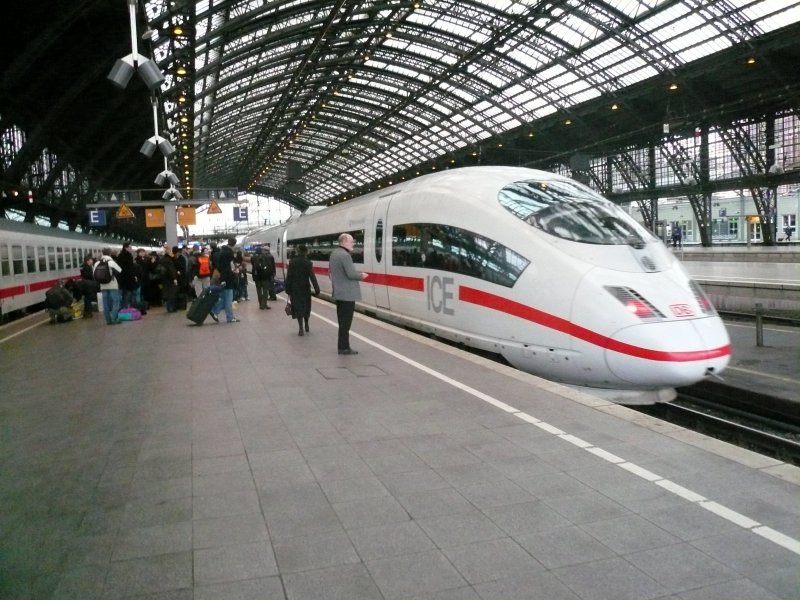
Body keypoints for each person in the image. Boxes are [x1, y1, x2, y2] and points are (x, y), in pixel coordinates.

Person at [328, 233, 367, 354]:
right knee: (346, 323)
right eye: (351, 241)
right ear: (344, 241)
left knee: (342, 322)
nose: (353, 243)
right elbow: (351, 274)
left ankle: (343, 346)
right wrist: (362, 275)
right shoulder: (345, 256)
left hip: (339, 292)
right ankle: (344, 347)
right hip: (347, 294)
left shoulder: (334, 254)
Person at [285, 244, 320, 335]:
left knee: (298, 307)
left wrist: (287, 289)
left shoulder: (292, 262)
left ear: (298, 251)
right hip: (305, 288)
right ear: (305, 252)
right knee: (306, 307)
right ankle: (307, 324)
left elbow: (289, 277)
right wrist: (317, 288)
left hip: (295, 289)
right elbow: (312, 277)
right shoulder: (308, 262)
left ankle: (300, 328)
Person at [210, 237, 239, 323]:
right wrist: (233, 272)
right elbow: (228, 268)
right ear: (233, 244)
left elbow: (220, 266)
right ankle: (229, 317)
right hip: (227, 279)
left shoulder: (221, 252)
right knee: (228, 299)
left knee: (224, 298)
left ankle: (215, 311)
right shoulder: (229, 253)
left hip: (222, 278)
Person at [94, 248, 123, 325]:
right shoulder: (111, 262)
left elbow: (94, 274)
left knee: (105, 303)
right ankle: (114, 318)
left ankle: (108, 320)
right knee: (115, 301)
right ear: (110, 254)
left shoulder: (97, 263)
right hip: (112, 284)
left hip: (103, 285)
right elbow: (120, 270)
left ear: (102, 253)